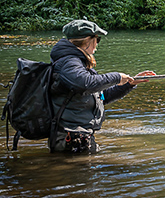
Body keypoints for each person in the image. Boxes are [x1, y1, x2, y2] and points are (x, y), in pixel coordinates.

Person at [49, 19, 154, 153]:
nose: (97, 44)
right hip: (71, 138)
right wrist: (116, 77)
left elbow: (102, 97)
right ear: (87, 40)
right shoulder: (69, 62)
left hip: (78, 136)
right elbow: (85, 84)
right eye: (97, 39)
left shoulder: (76, 62)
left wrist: (129, 84)